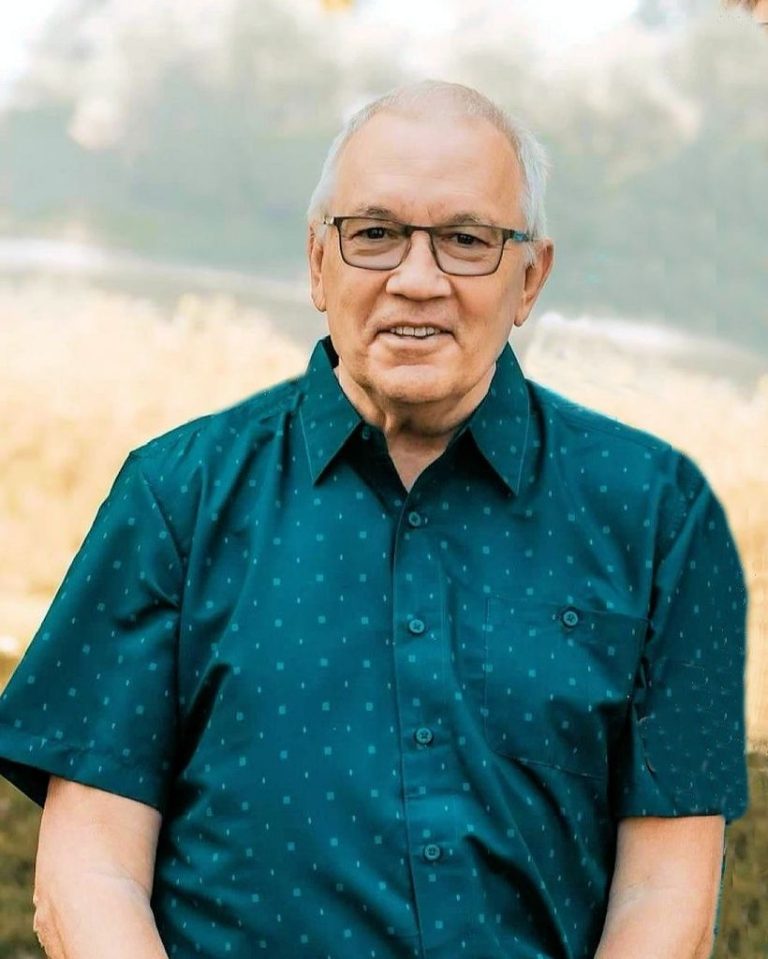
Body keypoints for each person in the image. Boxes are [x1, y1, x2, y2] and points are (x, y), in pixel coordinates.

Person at [0, 79, 749, 959]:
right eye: (375, 234)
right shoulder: (175, 496)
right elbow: (89, 874)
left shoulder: (661, 517)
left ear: (531, 277)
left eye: (466, 240)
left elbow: (668, 891)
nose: (417, 279)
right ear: (318, 262)